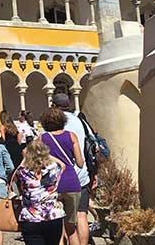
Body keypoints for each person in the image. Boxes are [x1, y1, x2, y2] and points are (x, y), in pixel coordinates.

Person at [52, 93, 96, 245]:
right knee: (81, 214)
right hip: (81, 176)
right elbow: (92, 145)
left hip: (58, 178)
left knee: (62, 217)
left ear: (53, 105)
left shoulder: (51, 125)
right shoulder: (79, 121)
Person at [39, 107, 85, 245]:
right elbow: (80, 163)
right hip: (72, 182)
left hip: (52, 185)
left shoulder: (42, 138)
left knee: (56, 229)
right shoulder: (71, 136)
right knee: (71, 229)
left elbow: (28, 154)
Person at [14, 139, 66, 245]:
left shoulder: (23, 173)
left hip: (30, 218)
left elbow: (17, 171)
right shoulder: (54, 170)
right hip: (53, 216)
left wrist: (26, 156)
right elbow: (62, 164)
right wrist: (45, 155)